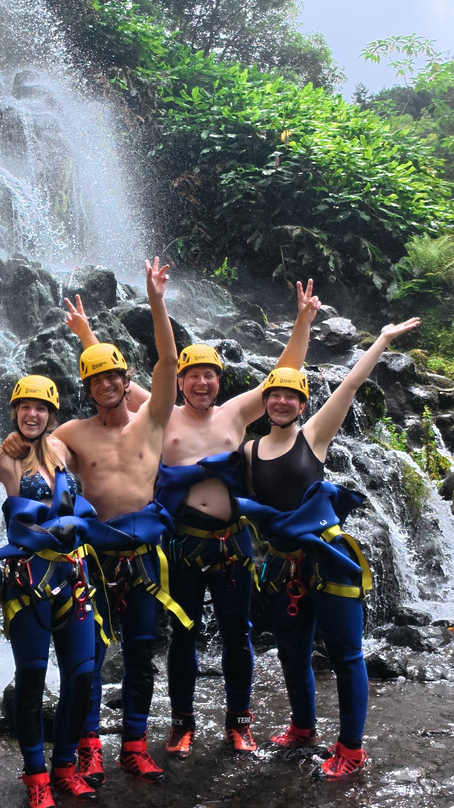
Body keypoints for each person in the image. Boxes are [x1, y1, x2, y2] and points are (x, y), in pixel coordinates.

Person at [63, 279, 320, 758]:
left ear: (220, 382)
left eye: (210, 375)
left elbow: (284, 374)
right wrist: (85, 333)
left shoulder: (237, 415)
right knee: (183, 632)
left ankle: (238, 722)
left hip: (233, 542)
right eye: (193, 375)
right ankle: (182, 723)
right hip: (182, 541)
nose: (202, 382)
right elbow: (110, 378)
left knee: (237, 632)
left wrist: (303, 321)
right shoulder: (161, 415)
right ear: (180, 382)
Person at [14, 258, 181, 786]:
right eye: (97, 378)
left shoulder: (153, 419)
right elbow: (37, 450)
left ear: (127, 380)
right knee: (89, 660)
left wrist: (156, 301)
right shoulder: (73, 435)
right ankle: (88, 746)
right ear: (86, 385)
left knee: (139, 652)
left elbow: (170, 362)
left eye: (115, 376)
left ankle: (133, 742)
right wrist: (12, 443)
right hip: (91, 562)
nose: (107, 384)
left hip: (143, 559)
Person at [239, 317, 420, 780]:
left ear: (301, 403)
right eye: (274, 395)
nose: (281, 401)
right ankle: (303, 728)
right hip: (280, 567)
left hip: (327, 561)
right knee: (292, 653)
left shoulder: (313, 436)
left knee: (346, 654)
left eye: (290, 396)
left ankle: (351, 749)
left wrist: (381, 340)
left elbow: (352, 384)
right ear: (265, 402)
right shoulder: (247, 452)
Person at [0, 375, 101, 808]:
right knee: (31, 679)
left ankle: (65, 767)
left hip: (73, 577)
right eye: (25, 407)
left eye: (41, 408)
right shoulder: (3, 458)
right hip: (28, 582)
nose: (32, 414)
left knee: (81, 677)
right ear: (14, 412)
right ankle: (35, 776)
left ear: (51, 415)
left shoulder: (64, 450)